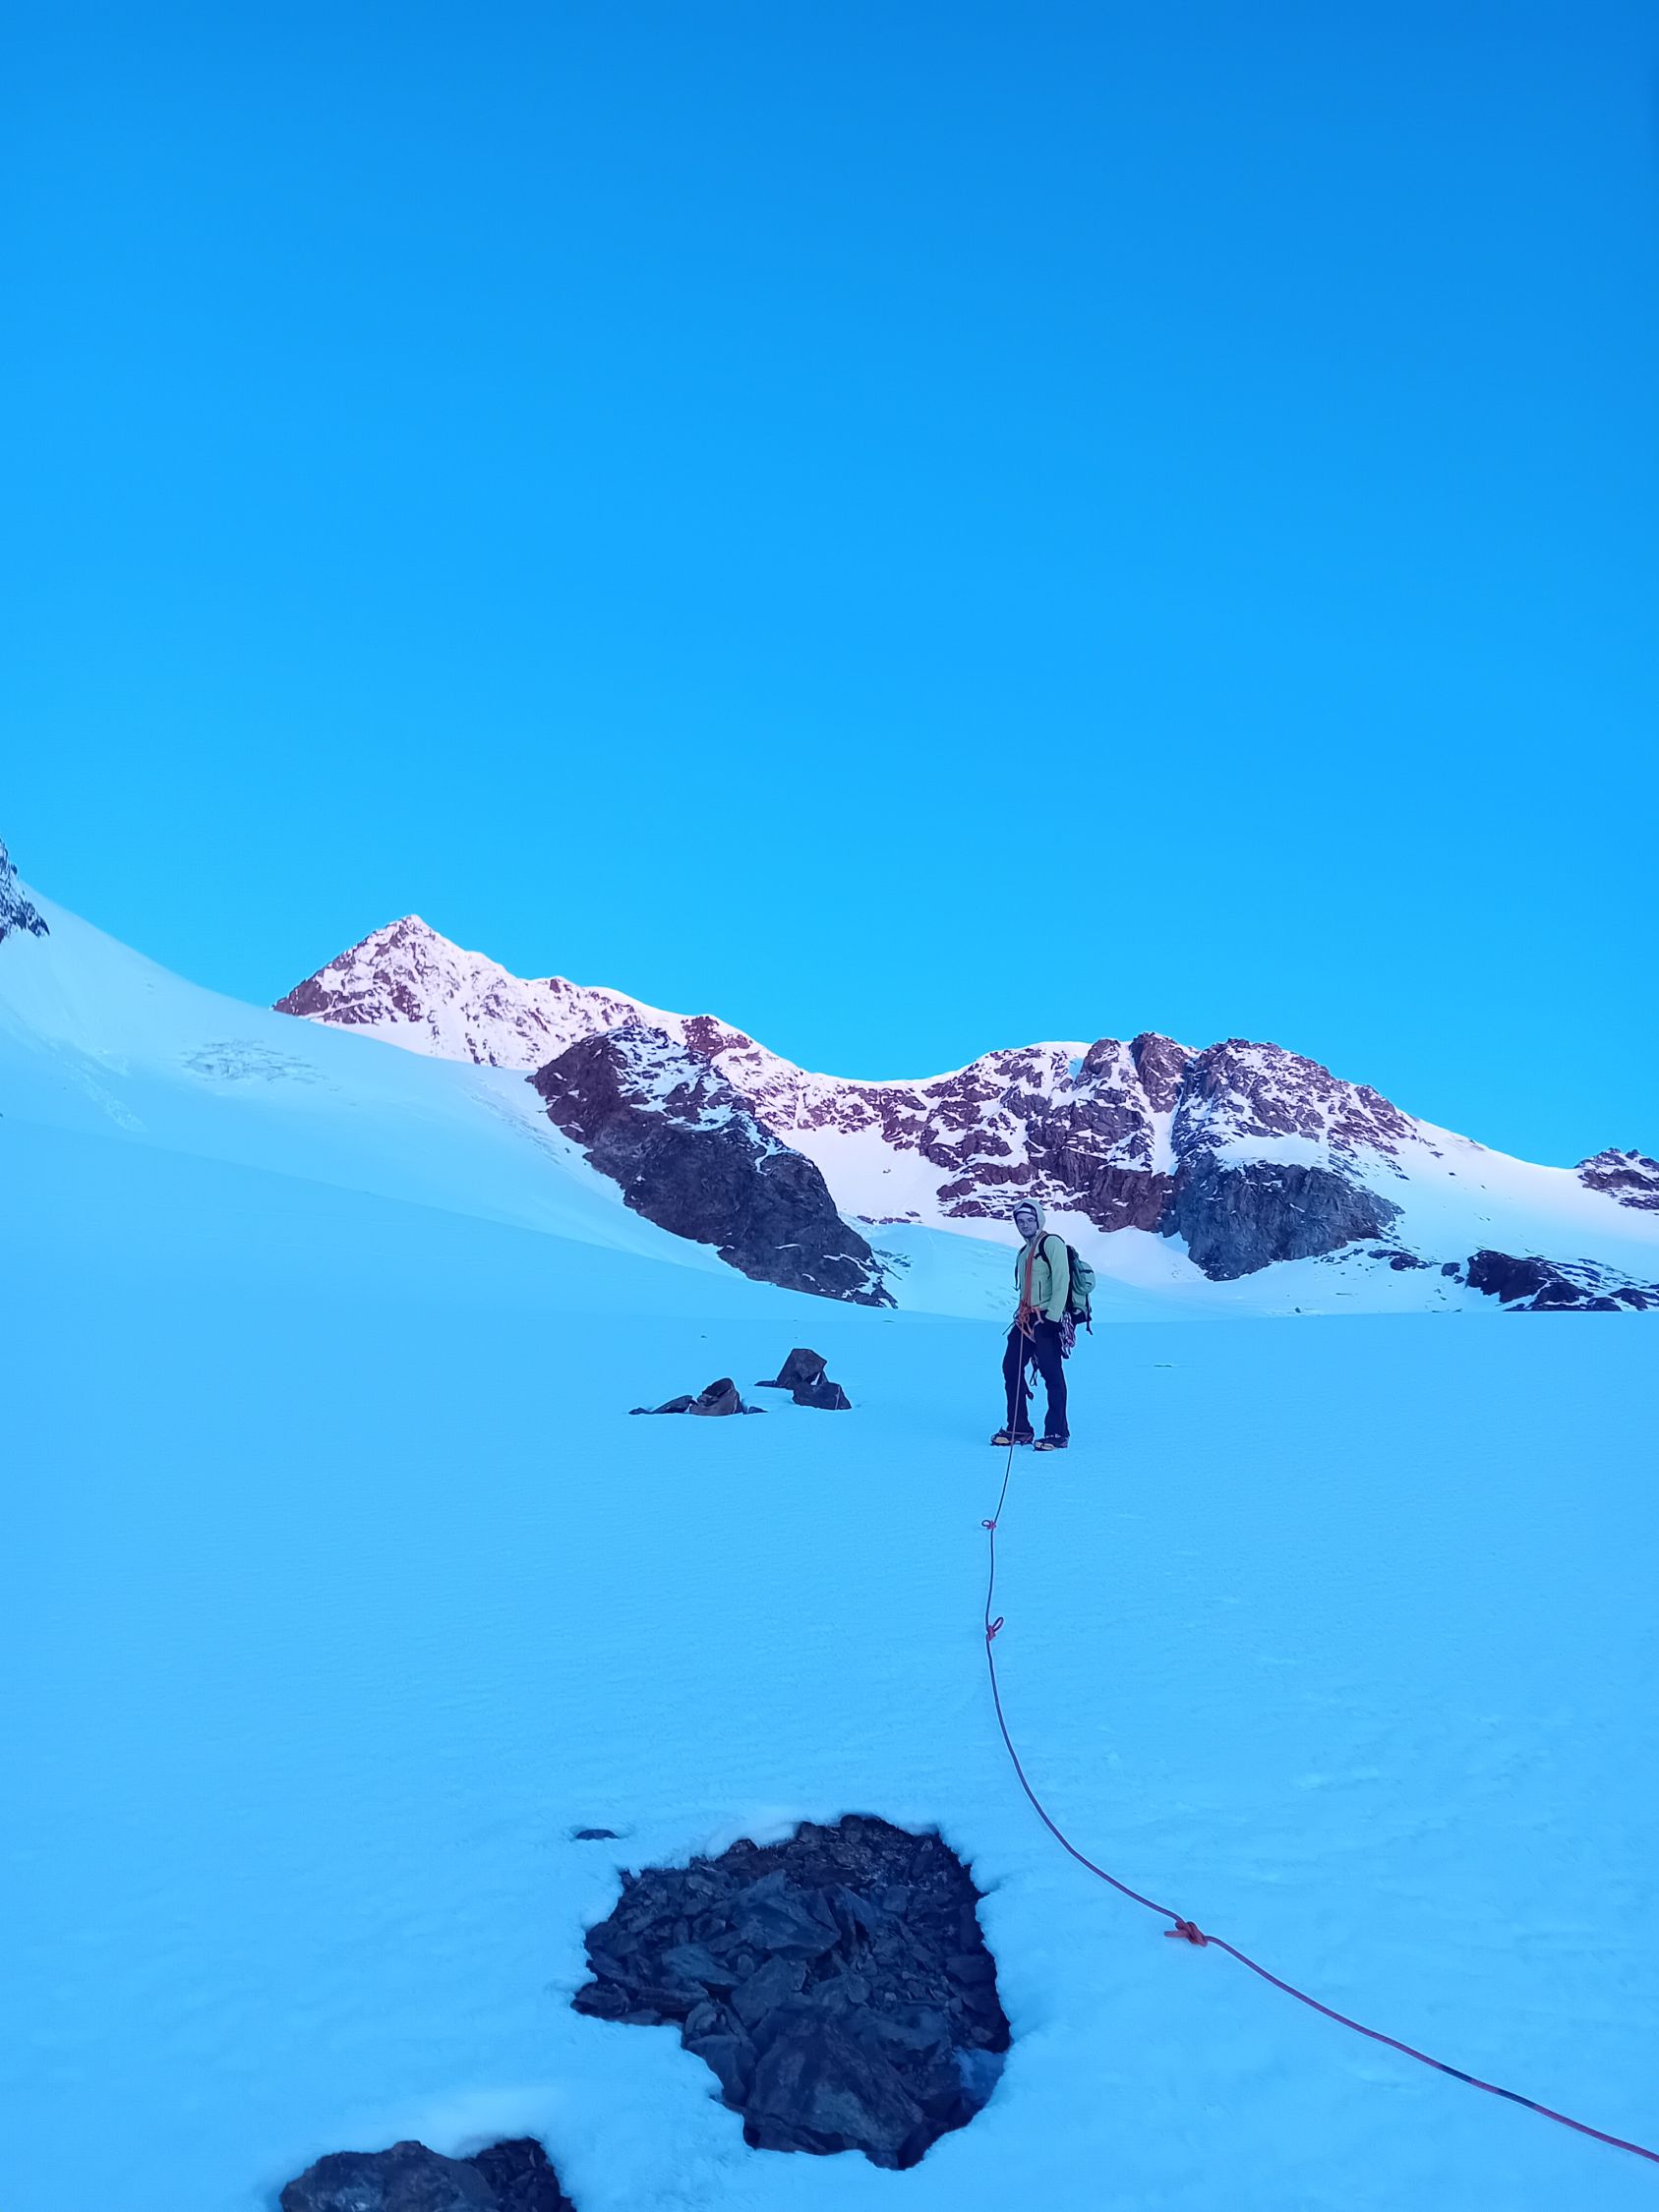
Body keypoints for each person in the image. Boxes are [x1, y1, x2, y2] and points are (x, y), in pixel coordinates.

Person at [992, 1198, 1070, 1450]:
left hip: (1046, 1317)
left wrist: (1053, 1319)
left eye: (1029, 1220)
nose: (1025, 1225)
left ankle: (1057, 1432)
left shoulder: (1051, 1243)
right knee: (1011, 1367)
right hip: (1026, 1319)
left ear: (1039, 1220)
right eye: (1020, 1221)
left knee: (1051, 1373)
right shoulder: (1024, 1251)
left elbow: (1062, 1281)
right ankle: (1019, 1427)